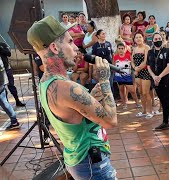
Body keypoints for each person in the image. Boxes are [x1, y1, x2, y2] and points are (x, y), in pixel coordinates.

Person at [27, 16, 117, 179]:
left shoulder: (46, 82)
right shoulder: (66, 87)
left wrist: (91, 94)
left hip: (79, 160)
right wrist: (104, 81)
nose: (76, 48)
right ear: (54, 47)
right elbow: (110, 121)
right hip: (92, 164)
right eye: (69, 42)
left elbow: (75, 110)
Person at [147, 32, 169, 136]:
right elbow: (148, 66)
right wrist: (154, 77)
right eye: (155, 39)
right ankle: (165, 123)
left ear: (163, 39)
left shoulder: (167, 51)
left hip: (167, 81)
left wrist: (159, 77)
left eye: (159, 38)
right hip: (156, 81)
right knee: (163, 102)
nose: (157, 40)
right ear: (152, 41)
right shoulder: (150, 52)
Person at [131, 31, 153, 119]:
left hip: (145, 72)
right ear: (134, 39)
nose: (138, 39)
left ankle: (150, 111)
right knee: (140, 92)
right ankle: (144, 111)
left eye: (140, 37)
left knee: (145, 92)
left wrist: (138, 68)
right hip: (137, 72)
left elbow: (146, 61)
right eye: (136, 37)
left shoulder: (146, 47)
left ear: (143, 38)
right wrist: (135, 68)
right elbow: (132, 61)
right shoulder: (134, 49)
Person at [113, 43, 140, 109]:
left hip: (128, 76)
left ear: (125, 49)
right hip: (119, 77)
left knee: (132, 91)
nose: (121, 50)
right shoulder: (115, 57)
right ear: (117, 49)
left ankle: (137, 103)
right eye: (119, 48)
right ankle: (124, 104)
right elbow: (113, 66)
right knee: (121, 90)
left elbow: (133, 65)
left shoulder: (128, 56)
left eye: (122, 48)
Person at [0, 42, 25, 106]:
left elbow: (9, 54)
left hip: (7, 69)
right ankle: (6, 104)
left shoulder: (2, 44)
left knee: (11, 85)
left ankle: (17, 101)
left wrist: (1, 49)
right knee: (2, 88)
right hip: (0, 72)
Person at [0, 57, 21, 130]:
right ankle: (14, 121)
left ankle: (14, 121)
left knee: (4, 103)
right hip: (2, 82)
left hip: (0, 83)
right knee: (4, 102)